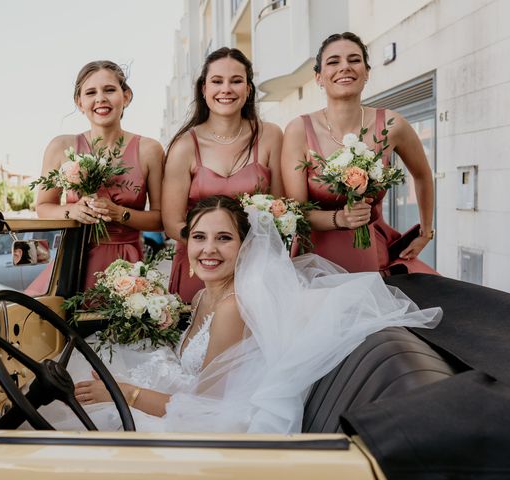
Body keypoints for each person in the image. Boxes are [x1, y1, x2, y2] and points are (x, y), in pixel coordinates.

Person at [34, 195, 441, 433]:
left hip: (211, 426)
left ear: (245, 248)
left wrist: (125, 393)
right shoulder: (202, 298)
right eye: (199, 237)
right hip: (184, 395)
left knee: (62, 422)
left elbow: (202, 411)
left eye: (224, 238)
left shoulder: (232, 307)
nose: (208, 249)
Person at [281, 32, 436, 274]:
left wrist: (426, 232)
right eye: (333, 62)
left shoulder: (392, 125)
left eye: (354, 60)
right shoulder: (298, 130)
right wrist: (340, 219)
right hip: (316, 260)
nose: (345, 67)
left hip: (375, 254)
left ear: (366, 72)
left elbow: (423, 174)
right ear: (319, 77)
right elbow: (297, 211)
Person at [162, 47, 284, 303]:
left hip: (256, 268)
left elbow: (281, 208)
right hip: (200, 266)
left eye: (236, 81)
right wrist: (213, 250)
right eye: (217, 81)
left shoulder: (271, 136)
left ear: (248, 89)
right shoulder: (184, 146)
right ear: (204, 89)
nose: (226, 89)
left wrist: (242, 250)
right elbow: (172, 223)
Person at [33, 60, 163, 291]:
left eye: (109, 90)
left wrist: (119, 213)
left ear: (127, 96)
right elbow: (43, 207)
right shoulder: (61, 146)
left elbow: (160, 219)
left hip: (127, 267)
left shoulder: (149, 149)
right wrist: (72, 210)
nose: (100, 99)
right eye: (91, 92)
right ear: (79, 102)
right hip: (75, 262)